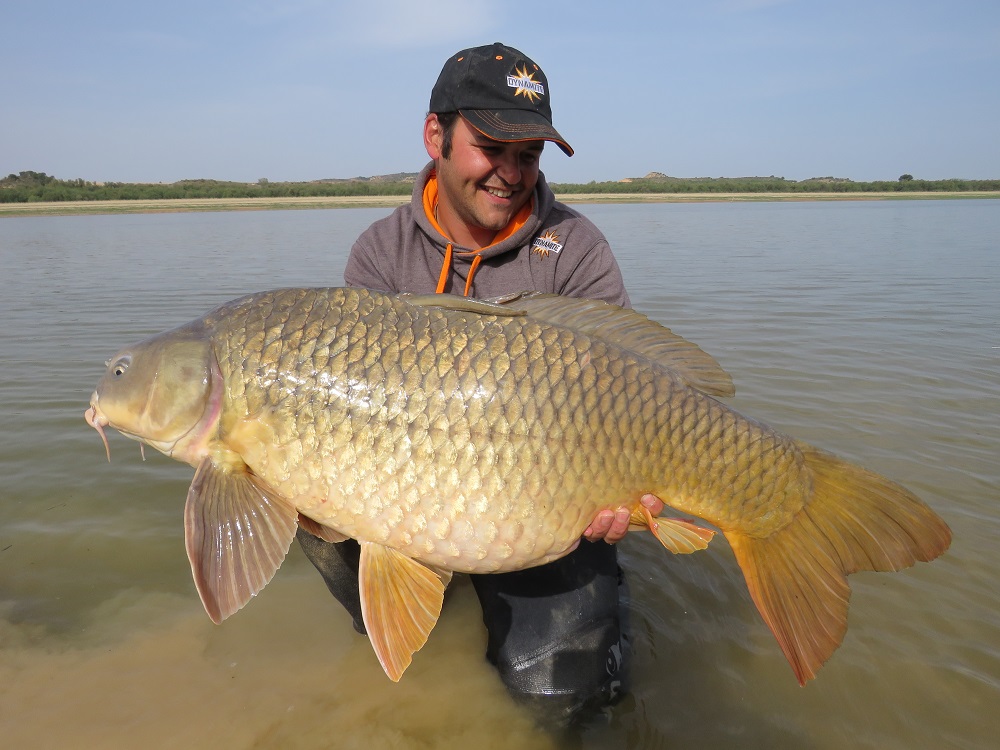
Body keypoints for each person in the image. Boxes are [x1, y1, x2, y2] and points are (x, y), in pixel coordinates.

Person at [295, 42, 665, 728]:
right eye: (492, 146)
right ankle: (414, 620)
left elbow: (634, 398)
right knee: (299, 486)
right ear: (435, 134)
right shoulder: (380, 253)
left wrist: (625, 499)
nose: (511, 173)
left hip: (549, 504)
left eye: (528, 155)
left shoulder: (577, 251)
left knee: (560, 697)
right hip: (416, 488)